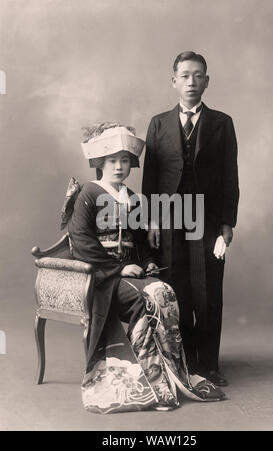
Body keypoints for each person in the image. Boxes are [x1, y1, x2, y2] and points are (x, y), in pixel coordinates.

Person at [63, 122, 225, 414]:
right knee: (143, 299)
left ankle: (173, 374)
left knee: (164, 292)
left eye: (125, 161)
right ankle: (149, 379)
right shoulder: (88, 193)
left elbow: (142, 242)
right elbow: (81, 240)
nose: (119, 167)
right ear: (100, 162)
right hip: (102, 277)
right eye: (112, 160)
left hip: (130, 271)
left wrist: (149, 261)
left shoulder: (133, 199)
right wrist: (117, 269)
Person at [142, 52, 239, 387]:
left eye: (198, 76)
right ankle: (180, 361)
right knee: (176, 288)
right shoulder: (158, 123)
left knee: (208, 291)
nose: (191, 82)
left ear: (207, 81)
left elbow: (230, 176)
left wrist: (227, 224)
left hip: (208, 219)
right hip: (169, 219)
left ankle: (209, 364)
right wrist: (151, 221)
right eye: (184, 76)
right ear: (173, 81)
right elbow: (150, 177)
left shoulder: (222, 123)